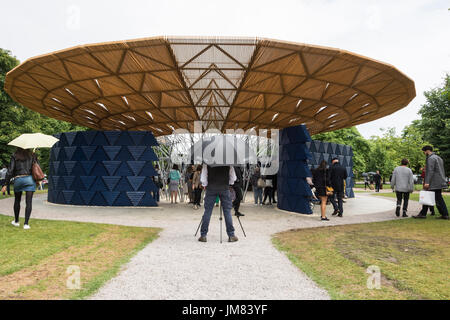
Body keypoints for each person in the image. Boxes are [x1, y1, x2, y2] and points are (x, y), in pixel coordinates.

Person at [198, 164, 238, 243]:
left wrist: (205, 185)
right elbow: (233, 178)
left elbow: (203, 178)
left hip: (211, 188)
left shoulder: (207, 163)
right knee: (227, 211)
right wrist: (228, 183)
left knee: (208, 211)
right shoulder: (228, 163)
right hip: (224, 188)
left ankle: (203, 235)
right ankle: (231, 235)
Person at [1, 148, 38, 229]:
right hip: (30, 179)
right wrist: (34, 157)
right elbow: (36, 168)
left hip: (18, 179)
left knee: (17, 201)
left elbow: (10, 171)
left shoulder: (14, 155)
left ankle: (16, 221)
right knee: (29, 202)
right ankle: (26, 224)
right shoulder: (32, 155)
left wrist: (5, 184)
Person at [414, 146, 449, 219]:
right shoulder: (439, 158)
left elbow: (430, 171)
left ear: (427, 151)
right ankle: (443, 214)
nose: (424, 153)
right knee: (437, 197)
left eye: (424, 151)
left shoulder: (430, 158)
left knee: (434, 197)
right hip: (439, 181)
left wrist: (427, 182)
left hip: (433, 182)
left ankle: (443, 214)